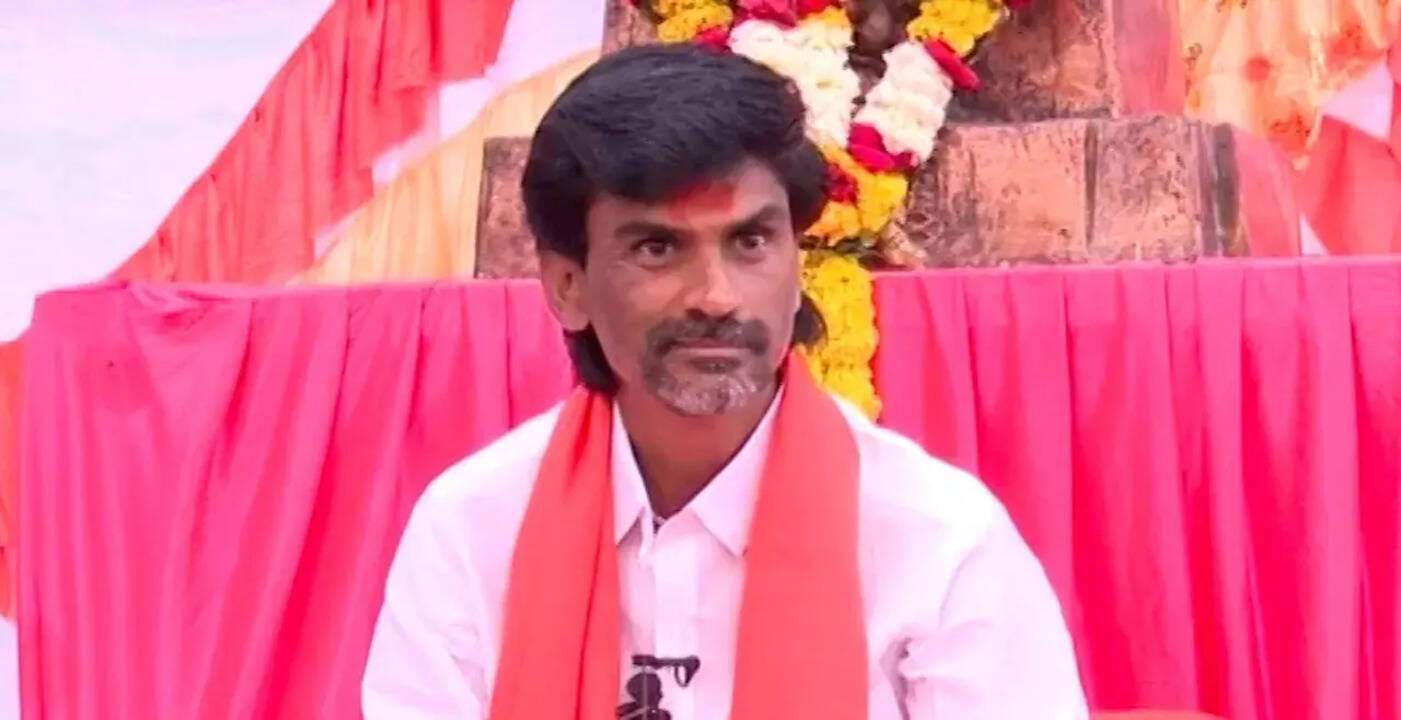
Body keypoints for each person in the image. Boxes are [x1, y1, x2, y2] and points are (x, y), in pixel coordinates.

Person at [362, 44, 1088, 719]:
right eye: (657, 248)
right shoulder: (474, 527)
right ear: (567, 286)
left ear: (797, 265)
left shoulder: (934, 537)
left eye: (750, 242)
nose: (715, 296)